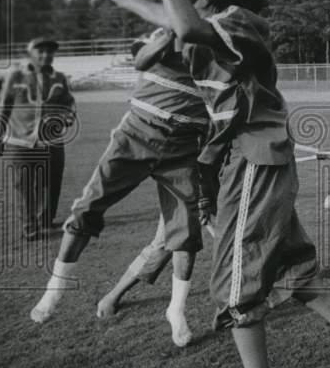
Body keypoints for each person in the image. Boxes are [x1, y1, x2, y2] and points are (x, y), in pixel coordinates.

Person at [112, 0, 330, 368]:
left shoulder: (239, 20)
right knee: (287, 261)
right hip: (249, 159)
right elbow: (176, 23)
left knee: (236, 283)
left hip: (255, 157)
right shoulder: (226, 22)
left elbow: (187, 25)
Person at [30, 26, 208, 348]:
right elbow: (141, 58)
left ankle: (176, 310)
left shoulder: (217, 46)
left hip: (184, 146)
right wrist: (170, 34)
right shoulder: (163, 32)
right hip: (138, 133)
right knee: (87, 207)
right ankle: (55, 289)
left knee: (185, 232)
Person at [0, 37, 75, 241]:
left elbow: (69, 104)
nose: (46, 55)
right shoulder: (16, 75)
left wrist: (66, 118)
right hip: (19, 141)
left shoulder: (60, 78)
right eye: (41, 51)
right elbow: (4, 105)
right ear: (31, 53)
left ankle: (46, 219)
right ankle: (29, 224)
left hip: (51, 141)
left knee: (51, 182)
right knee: (23, 184)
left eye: (50, 52)